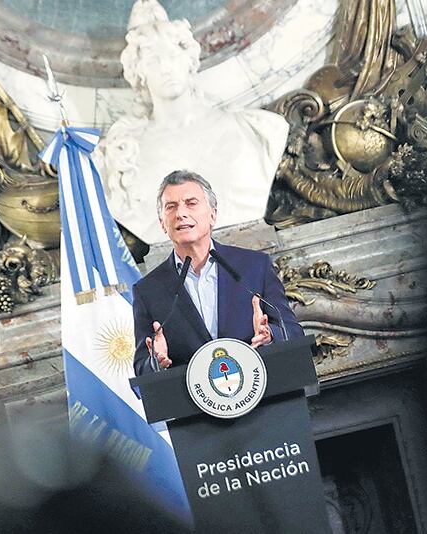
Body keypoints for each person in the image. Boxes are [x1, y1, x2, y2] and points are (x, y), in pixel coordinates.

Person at [97, 0, 289, 245]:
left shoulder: (257, 130)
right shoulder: (120, 156)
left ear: (189, 60)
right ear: (139, 72)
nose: (166, 68)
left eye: (172, 55)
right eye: (154, 61)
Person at [132, 170, 304, 376]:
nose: (181, 213)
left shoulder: (254, 266)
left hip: (264, 395)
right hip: (193, 404)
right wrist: (155, 362)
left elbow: (293, 333)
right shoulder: (148, 290)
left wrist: (270, 335)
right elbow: (142, 367)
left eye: (191, 203)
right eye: (171, 207)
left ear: (213, 215)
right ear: (162, 224)